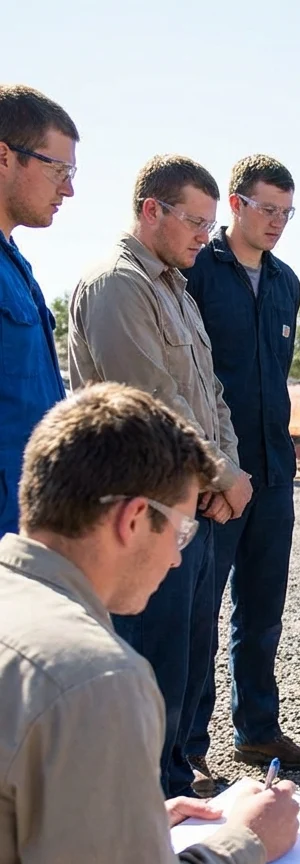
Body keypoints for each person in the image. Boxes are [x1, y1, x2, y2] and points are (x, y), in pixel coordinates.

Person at [0, 383, 300, 864]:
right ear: (132, 520)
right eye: (181, 527)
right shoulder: (94, 675)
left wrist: (137, 820)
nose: (181, 551)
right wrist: (246, 844)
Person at [68, 155, 253, 798]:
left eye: (210, 223)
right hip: (139, 514)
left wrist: (226, 471)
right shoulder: (118, 284)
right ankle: (140, 802)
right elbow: (154, 401)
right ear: (152, 211)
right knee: (145, 661)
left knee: (183, 659)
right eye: (196, 221)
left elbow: (211, 396)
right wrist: (223, 474)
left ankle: (173, 786)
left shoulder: (174, 286)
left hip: (188, 507)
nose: (207, 234)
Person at [184, 154, 300, 784]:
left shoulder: (288, 282)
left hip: (273, 471)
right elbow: (194, 379)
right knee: (197, 614)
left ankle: (257, 730)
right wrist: (211, 474)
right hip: (216, 478)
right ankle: (187, 746)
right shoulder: (197, 274)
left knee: (262, 610)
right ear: (235, 205)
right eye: (267, 209)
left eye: (287, 213)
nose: (277, 223)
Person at [0, 85, 78, 539]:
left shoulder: (16, 265)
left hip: (29, 529)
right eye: (58, 169)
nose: (69, 189)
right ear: (5, 157)